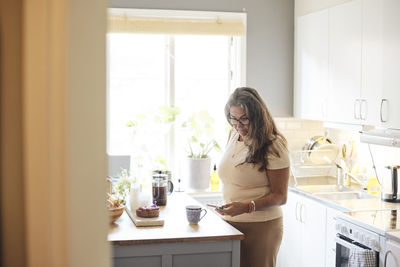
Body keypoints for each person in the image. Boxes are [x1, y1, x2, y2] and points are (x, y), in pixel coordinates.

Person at [216, 87, 290, 267]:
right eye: (233, 119)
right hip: (231, 224)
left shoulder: (273, 145)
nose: (238, 126)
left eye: (244, 119)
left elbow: (280, 196)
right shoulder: (233, 135)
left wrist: (247, 206)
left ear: (257, 116)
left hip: (261, 227)